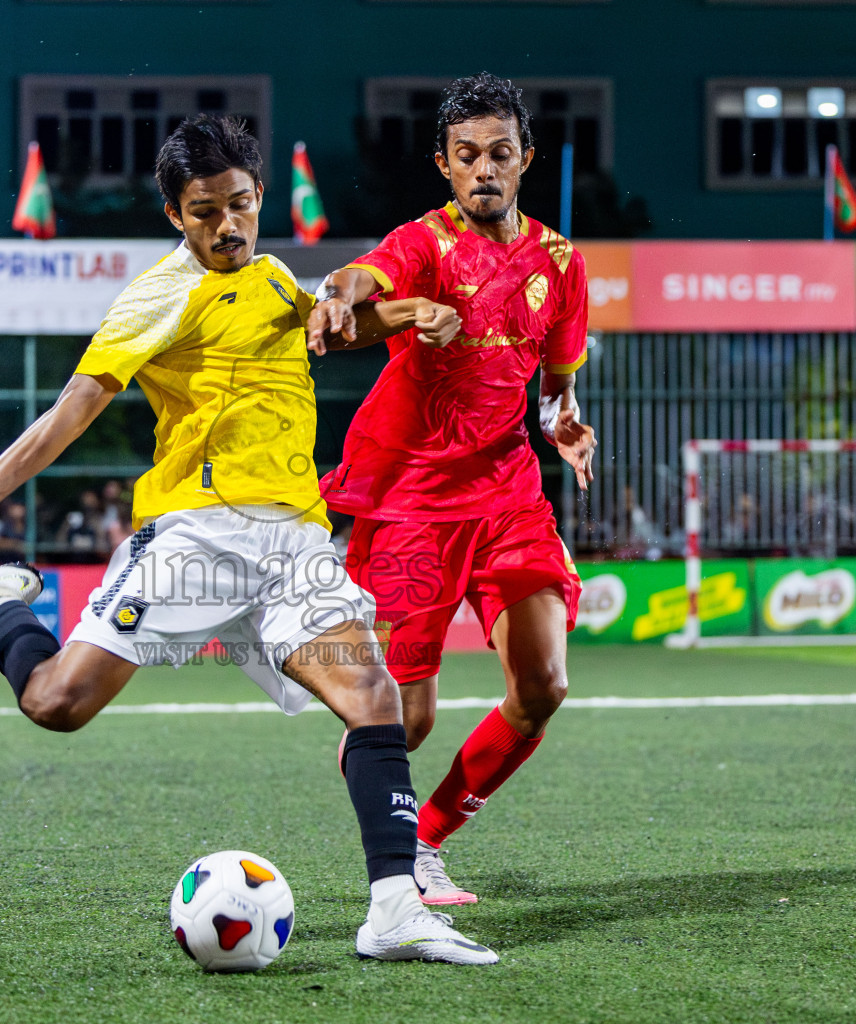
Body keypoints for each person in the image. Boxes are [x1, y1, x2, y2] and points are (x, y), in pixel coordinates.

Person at [0, 115, 496, 965]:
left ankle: (395, 910)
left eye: (240, 205)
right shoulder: (157, 295)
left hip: (296, 542)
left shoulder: (271, 280)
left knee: (381, 703)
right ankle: (1, 599)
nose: (227, 226)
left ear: (259, 198)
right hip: (195, 541)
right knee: (55, 704)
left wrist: (410, 312)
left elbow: (331, 328)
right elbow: (72, 411)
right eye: (204, 211)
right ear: (173, 215)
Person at [307, 73, 597, 906]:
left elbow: (554, 384)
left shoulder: (561, 263)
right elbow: (362, 275)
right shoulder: (421, 245)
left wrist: (564, 422)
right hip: (407, 510)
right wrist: (334, 294)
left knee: (542, 686)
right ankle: (391, 849)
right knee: (405, 716)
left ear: (524, 160)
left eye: (499, 154)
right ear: (444, 164)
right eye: (466, 155)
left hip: (509, 499)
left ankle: (424, 842)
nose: (483, 170)